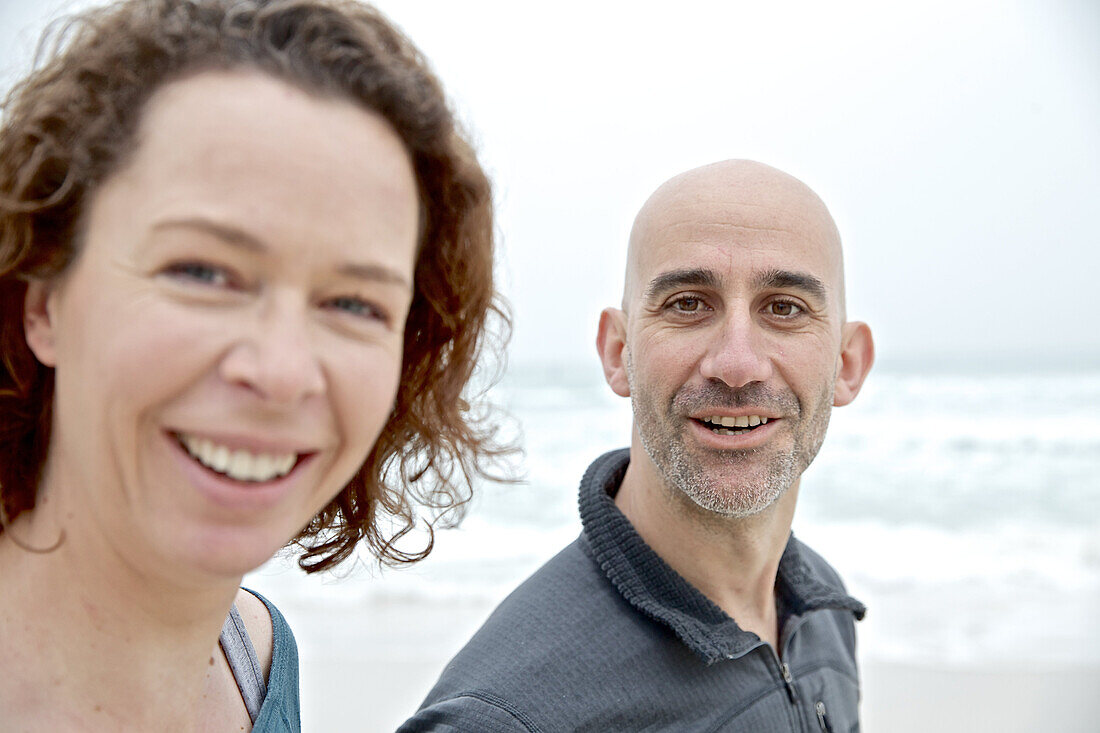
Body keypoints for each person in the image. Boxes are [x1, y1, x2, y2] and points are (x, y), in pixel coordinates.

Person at [0, 0, 506, 730]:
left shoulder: (260, 659)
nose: (282, 371)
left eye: (356, 304)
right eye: (204, 271)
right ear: (41, 301)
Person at [403, 159, 875, 732]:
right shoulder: (503, 719)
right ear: (617, 351)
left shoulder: (820, 610)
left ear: (847, 365)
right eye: (687, 304)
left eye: (784, 307)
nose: (736, 364)